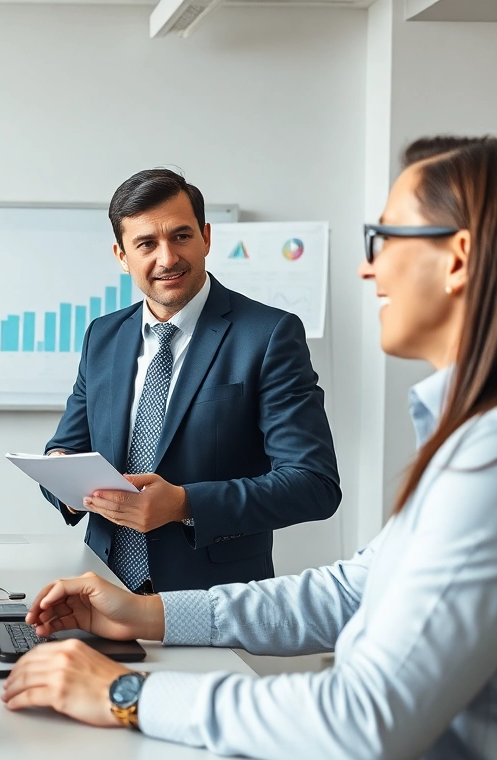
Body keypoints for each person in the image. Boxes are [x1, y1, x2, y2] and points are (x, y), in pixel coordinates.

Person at [0, 138, 497, 760]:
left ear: (457, 259)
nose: (369, 266)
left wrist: (121, 695)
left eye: (385, 238)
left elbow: (363, 719)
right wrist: (147, 613)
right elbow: (352, 590)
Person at [44, 168, 340, 594]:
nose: (166, 259)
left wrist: (184, 504)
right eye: (146, 244)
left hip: (213, 598)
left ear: (205, 237)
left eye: (181, 236)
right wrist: (67, 486)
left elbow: (314, 484)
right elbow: (67, 448)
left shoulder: (268, 335)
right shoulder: (103, 337)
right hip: (103, 591)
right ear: (121, 256)